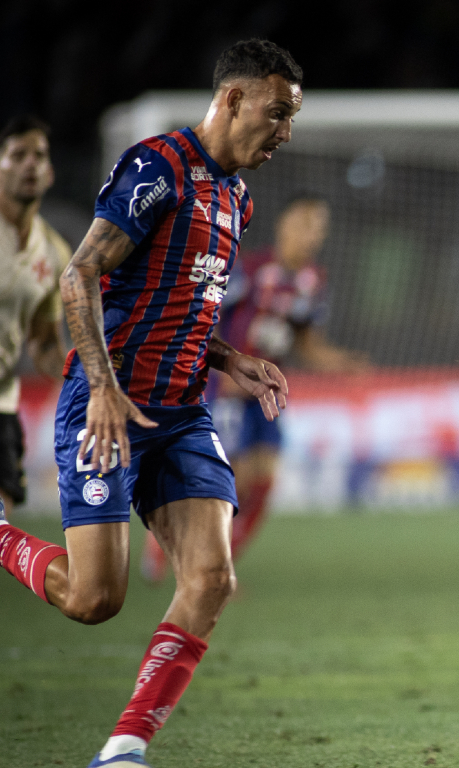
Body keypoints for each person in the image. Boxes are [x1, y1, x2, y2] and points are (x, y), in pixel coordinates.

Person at [0, 39, 301, 768]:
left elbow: (185, 306)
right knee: (93, 599)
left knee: (212, 578)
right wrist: (103, 385)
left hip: (182, 414)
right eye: (277, 112)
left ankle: (125, 747)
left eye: (291, 117)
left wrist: (233, 359)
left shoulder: (236, 199)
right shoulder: (157, 167)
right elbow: (79, 275)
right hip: (108, 405)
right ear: (233, 99)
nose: (285, 132)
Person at [140, 192, 367, 583]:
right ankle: (167, 541)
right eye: (305, 225)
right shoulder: (249, 270)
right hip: (227, 391)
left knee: (264, 482)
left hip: (266, 397)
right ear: (284, 226)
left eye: (319, 228)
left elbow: (307, 344)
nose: (312, 235)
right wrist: (219, 371)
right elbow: (205, 319)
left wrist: (344, 362)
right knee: (235, 479)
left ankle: (219, 569)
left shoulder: (313, 282)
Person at [0, 115, 70, 512]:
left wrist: (90, 379)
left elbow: (43, 343)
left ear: (50, 174)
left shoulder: (54, 252)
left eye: (39, 156)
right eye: (17, 155)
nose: (30, 164)